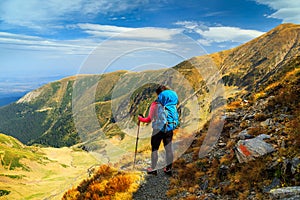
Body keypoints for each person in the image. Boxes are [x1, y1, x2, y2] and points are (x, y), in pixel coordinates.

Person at [138, 85, 179, 175]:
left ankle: (153, 169)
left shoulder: (155, 104)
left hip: (157, 129)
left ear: (158, 94)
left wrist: (140, 118)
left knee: (155, 149)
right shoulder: (172, 103)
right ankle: (168, 169)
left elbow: (149, 119)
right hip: (169, 128)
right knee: (168, 149)